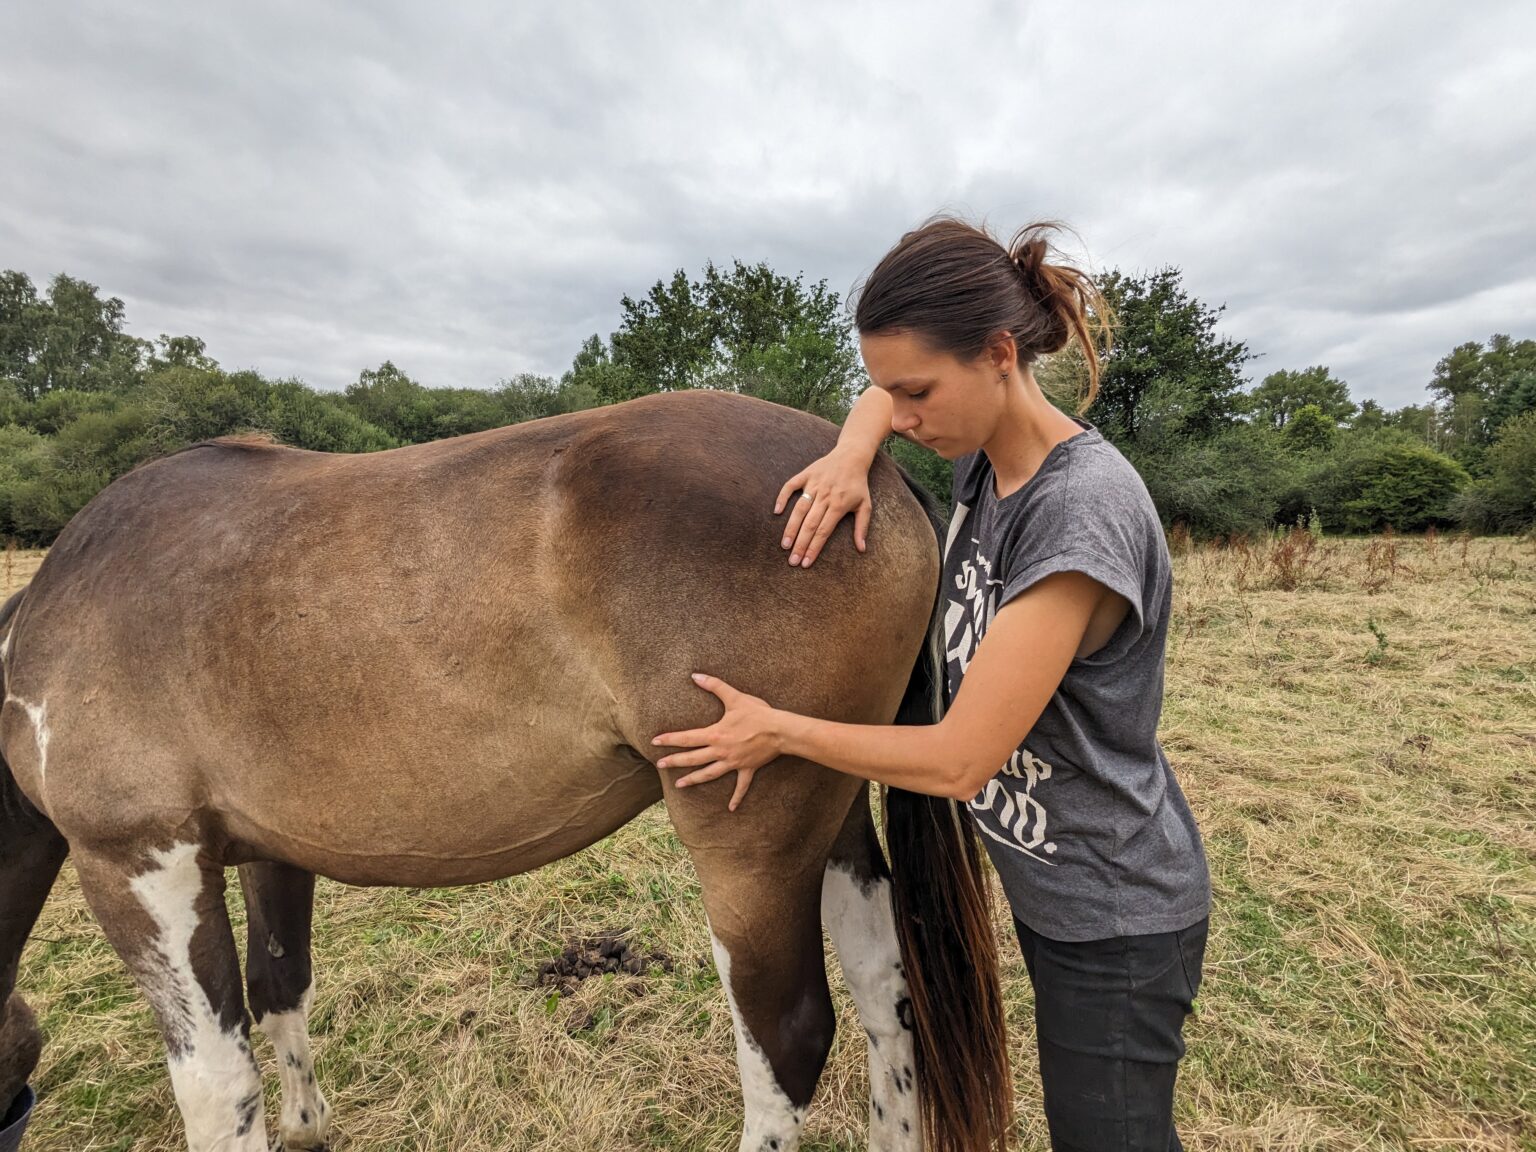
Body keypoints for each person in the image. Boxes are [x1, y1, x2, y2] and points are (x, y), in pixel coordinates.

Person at [653, 217, 1211, 1151]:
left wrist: (779, 732)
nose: (902, 416)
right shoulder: (988, 459)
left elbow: (957, 761)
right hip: (1055, 883)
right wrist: (848, 448)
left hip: (1115, 912)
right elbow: (886, 402)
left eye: (917, 392)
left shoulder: (1079, 515)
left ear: (1000, 353)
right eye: (889, 391)